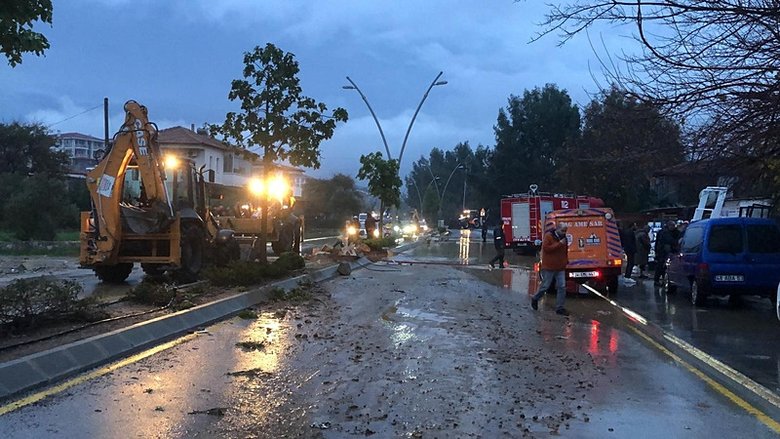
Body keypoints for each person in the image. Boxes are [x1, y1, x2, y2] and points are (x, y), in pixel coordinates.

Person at [531, 222, 570, 316]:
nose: (564, 233)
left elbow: (564, 251)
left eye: (565, 231)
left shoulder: (565, 239)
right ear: (557, 229)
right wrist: (559, 244)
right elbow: (546, 249)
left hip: (560, 267)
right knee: (545, 286)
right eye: (563, 231)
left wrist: (566, 260)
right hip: (549, 267)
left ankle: (560, 308)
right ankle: (535, 298)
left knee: (562, 286)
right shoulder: (548, 236)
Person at [654, 220, 680, 286]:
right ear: (669, 226)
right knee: (661, 266)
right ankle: (659, 280)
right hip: (663, 252)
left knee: (662, 266)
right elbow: (670, 240)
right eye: (673, 226)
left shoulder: (663, 232)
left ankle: (661, 279)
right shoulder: (665, 233)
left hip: (662, 252)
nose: (674, 227)